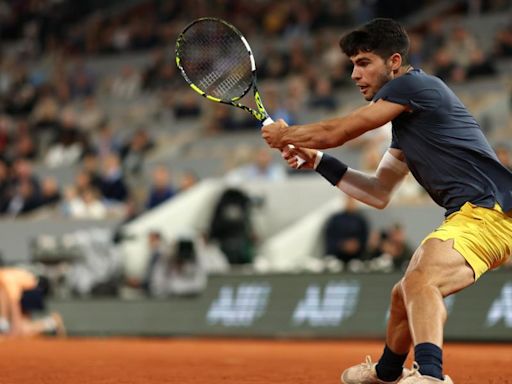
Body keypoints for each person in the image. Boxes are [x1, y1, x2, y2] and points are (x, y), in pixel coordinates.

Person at [262, 18, 512, 384]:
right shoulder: (408, 123)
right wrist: (316, 161)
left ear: (394, 61)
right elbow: (377, 191)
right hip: (476, 216)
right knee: (403, 294)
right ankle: (387, 372)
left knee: (420, 280)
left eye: (364, 63)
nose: (354, 74)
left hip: (486, 212)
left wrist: (287, 132)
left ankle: (430, 375)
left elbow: (340, 131)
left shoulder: (416, 85)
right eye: (352, 64)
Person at [0, 267, 66, 338]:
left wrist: (13, 332)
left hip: (32, 291)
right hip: (27, 291)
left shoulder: (6, 281)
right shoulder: (4, 279)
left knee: (20, 330)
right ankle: (52, 322)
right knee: (22, 329)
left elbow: (15, 305)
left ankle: (4, 324)